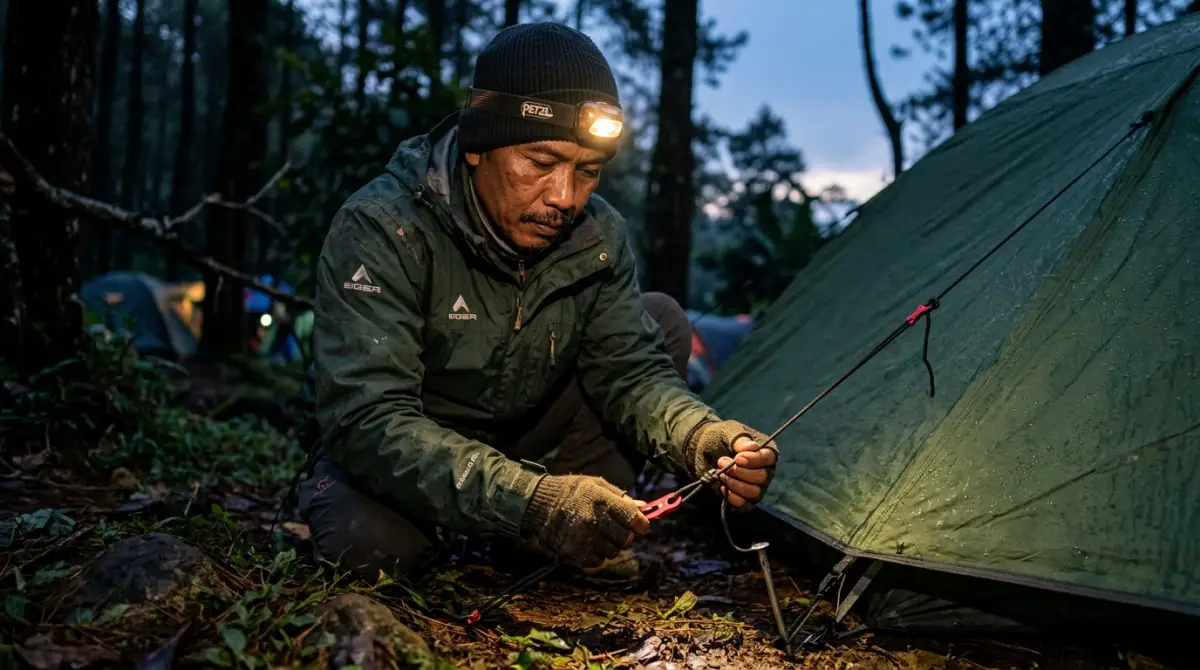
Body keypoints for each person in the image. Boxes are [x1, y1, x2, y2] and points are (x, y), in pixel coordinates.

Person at [298, 22, 778, 584]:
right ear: (477, 147)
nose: (564, 198)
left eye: (588, 171)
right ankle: (518, 523)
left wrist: (702, 438)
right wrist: (532, 499)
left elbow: (630, 373)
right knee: (370, 551)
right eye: (541, 163)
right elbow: (369, 419)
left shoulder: (597, 237)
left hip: (530, 438)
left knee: (662, 319)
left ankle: (549, 538)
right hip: (416, 444)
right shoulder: (385, 227)